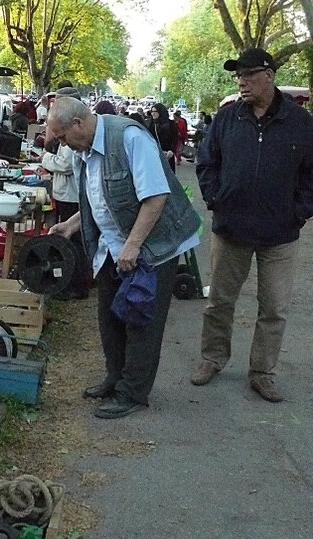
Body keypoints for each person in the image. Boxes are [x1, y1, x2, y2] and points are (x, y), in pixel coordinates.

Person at [47, 97, 200, 419]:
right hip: (114, 246)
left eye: (62, 137)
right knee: (110, 318)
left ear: (78, 124)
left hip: (154, 247)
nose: (61, 144)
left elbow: (156, 196)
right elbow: (97, 197)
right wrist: (72, 225)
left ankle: (133, 393)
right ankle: (115, 379)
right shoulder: (82, 151)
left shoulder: (129, 137)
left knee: (142, 321)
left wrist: (133, 246)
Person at [191, 48, 313, 402]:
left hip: (280, 235)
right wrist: (215, 198)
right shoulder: (227, 119)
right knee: (219, 302)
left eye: (248, 74)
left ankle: (262, 372)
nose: (241, 81)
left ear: (269, 76)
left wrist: (299, 211)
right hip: (231, 230)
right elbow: (206, 162)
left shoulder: (301, 123)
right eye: (238, 76)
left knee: (274, 308)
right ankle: (212, 358)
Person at [39, 86, 91, 301]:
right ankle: (74, 283)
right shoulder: (68, 130)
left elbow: (65, 164)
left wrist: (44, 159)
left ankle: (75, 285)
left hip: (72, 195)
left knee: (74, 243)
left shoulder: (74, 135)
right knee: (72, 240)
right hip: (66, 193)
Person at [148, 103, 178, 171]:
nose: (153, 113)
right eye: (152, 111)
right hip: (155, 155)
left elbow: (175, 138)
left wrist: (172, 150)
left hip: (168, 154)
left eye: (155, 111)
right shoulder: (151, 125)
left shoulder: (171, 124)